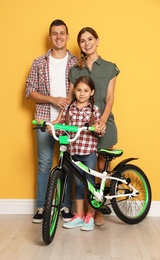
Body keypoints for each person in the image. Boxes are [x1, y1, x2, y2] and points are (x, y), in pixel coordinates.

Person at [25, 19, 78, 223]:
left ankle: (65, 206)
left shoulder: (76, 62)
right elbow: (29, 92)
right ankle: (41, 207)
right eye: (55, 33)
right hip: (44, 120)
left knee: (68, 165)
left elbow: (84, 90)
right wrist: (52, 99)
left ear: (67, 36)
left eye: (62, 33)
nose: (58, 37)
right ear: (50, 37)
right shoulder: (39, 62)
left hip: (69, 120)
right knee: (44, 163)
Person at [68, 27, 120, 225]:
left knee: (101, 167)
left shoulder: (109, 67)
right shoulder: (75, 70)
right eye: (82, 40)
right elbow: (71, 98)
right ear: (79, 44)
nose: (87, 43)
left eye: (90, 39)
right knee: (84, 170)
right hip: (82, 126)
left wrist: (103, 121)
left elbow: (109, 97)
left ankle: (99, 207)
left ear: (97, 41)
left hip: (104, 122)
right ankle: (91, 211)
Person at [53, 75, 104, 231]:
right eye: (79, 90)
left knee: (89, 183)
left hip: (88, 151)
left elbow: (99, 129)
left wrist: (98, 129)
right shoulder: (68, 109)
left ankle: (90, 215)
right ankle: (79, 215)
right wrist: (53, 128)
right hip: (74, 151)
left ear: (91, 92)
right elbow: (62, 126)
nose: (82, 93)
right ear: (74, 91)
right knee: (79, 184)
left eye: (86, 90)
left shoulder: (94, 109)